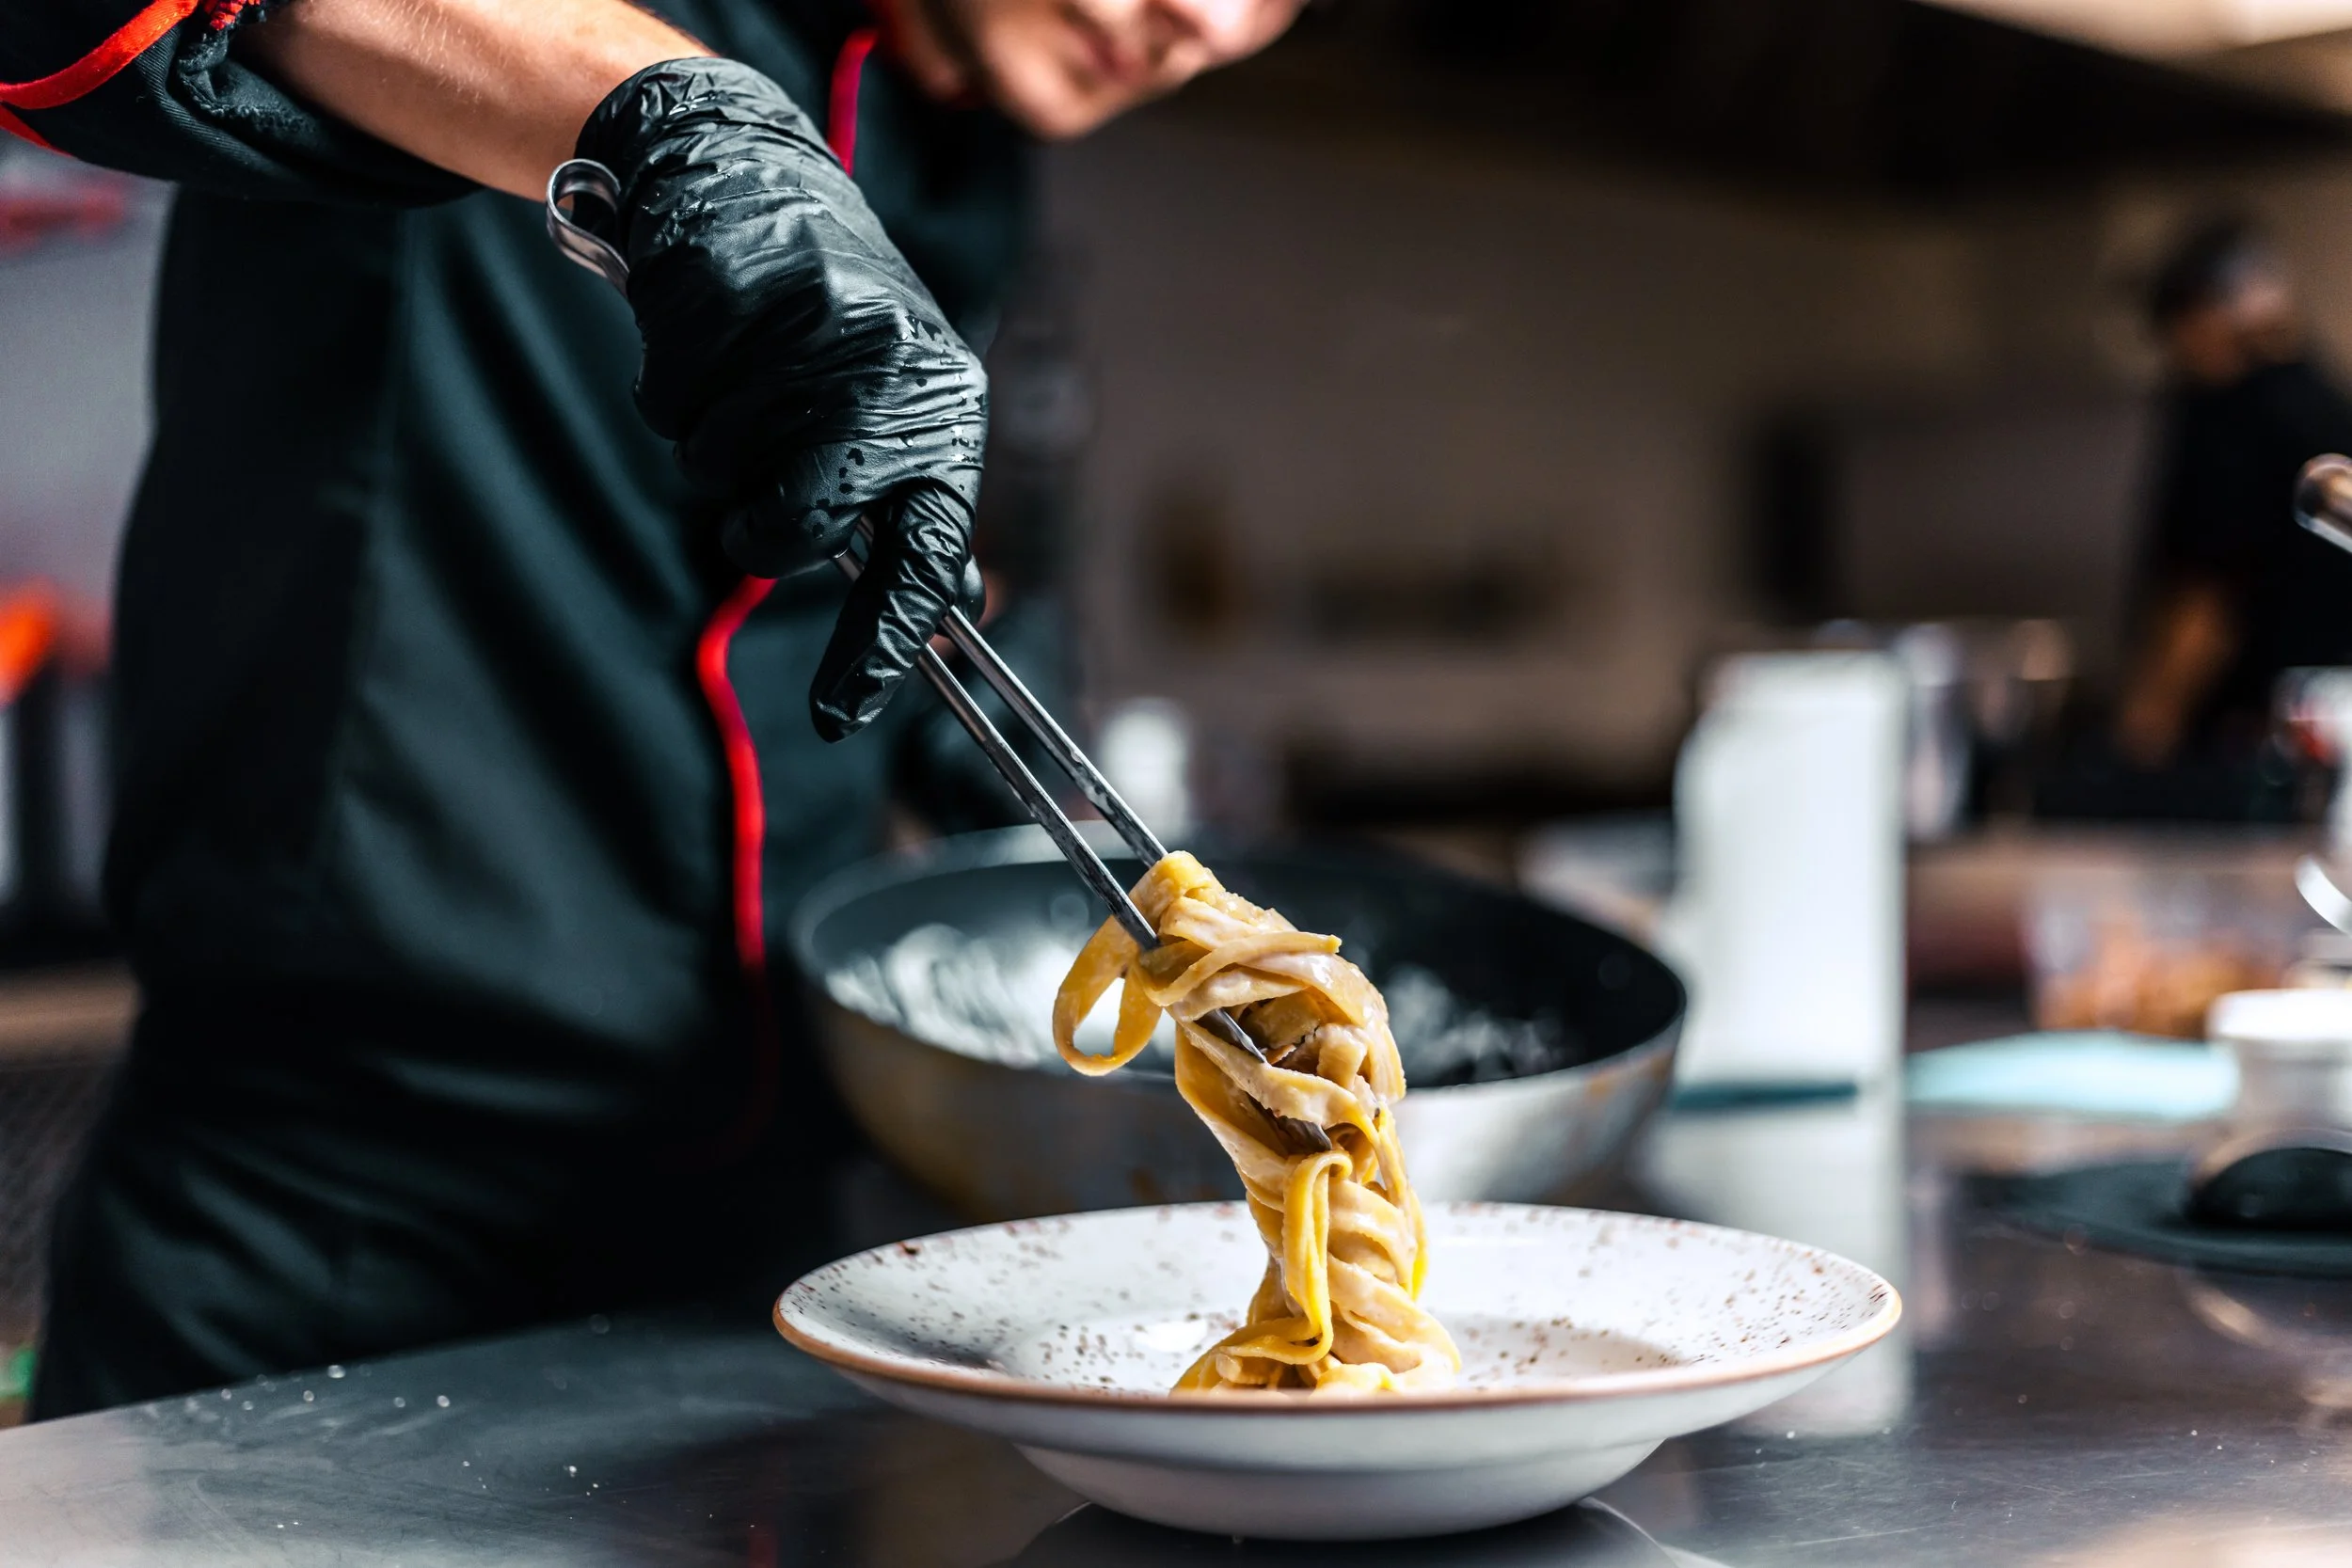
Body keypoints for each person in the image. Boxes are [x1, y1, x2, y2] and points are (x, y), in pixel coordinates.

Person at [1, 0, 1304, 1418]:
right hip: (320, 1238)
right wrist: (666, 117)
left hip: (763, 1253)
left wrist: (970, 700)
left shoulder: (977, 130)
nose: (1213, 20)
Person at [2115, 217, 2352, 772]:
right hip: (2320, 731)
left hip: (2240, 744)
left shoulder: (2231, 414)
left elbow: (2209, 594)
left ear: (2205, 317)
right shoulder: (2325, 400)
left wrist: (2149, 721)